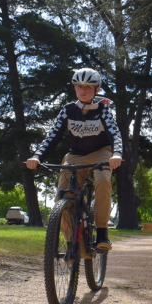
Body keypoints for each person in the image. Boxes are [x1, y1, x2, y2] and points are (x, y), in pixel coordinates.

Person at [26, 68, 123, 251]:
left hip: (101, 153)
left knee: (102, 181)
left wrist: (116, 154)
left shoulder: (104, 111)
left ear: (96, 89)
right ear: (74, 89)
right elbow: (52, 136)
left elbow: (115, 135)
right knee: (60, 197)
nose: (83, 90)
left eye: (88, 87)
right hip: (75, 156)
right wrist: (37, 156)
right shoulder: (68, 111)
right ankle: (71, 243)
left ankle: (102, 233)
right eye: (79, 86)